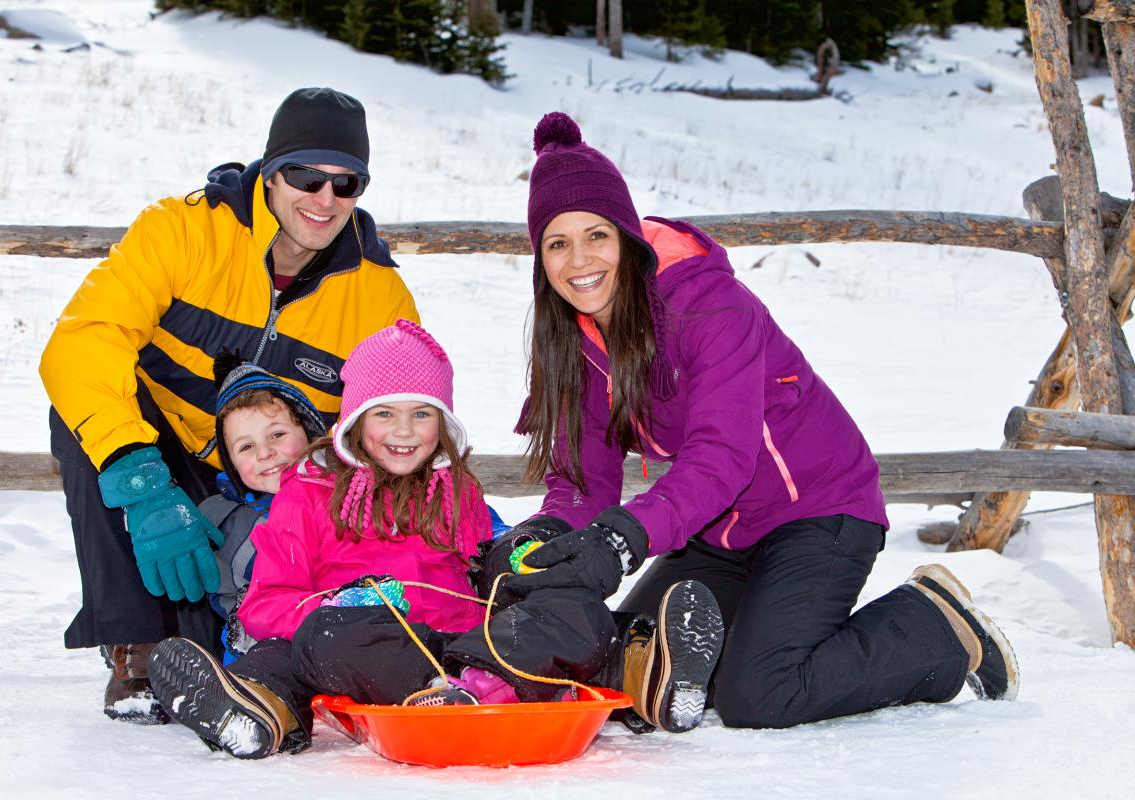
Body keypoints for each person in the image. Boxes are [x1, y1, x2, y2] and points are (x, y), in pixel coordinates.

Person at [493, 111, 1020, 731]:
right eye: (557, 243)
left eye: (596, 235)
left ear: (627, 237)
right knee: (618, 653)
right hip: (718, 529)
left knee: (760, 693)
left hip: (820, 512)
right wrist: (547, 531)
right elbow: (585, 478)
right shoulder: (577, 339)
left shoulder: (708, 305)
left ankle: (933, 629)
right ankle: (721, 652)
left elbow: (721, 457)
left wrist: (622, 537)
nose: (579, 260)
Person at [147, 321, 718, 760]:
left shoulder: (455, 489)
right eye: (384, 414)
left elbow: (487, 564)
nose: (402, 432)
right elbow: (266, 604)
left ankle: (646, 674)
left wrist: (517, 557)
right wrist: (340, 605)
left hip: (473, 647)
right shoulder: (309, 494)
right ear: (352, 422)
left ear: (442, 422)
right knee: (307, 645)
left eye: (421, 413)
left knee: (575, 611)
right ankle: (259, 713)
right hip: (370, 650)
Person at [39, 87, 420, 724]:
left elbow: (399, 412)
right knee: (81, 418)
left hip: (274, 476)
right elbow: (83, 341)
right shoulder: (184, 230)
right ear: (271, 170)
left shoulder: (378, 293)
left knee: (214, 630)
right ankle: (138, 643)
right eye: (307, 175)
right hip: (159, 447)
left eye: (346, 182)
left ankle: (245, 646)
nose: (324, 199)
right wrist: (142, 483)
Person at [201, 353, 328, 664]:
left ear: (309, 434)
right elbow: (236, 607)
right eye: (246, 447)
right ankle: (244, 696)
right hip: (267, 644)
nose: (266, 453)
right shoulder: (229, 522)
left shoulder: (346, 498)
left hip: (343, 629)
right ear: (231, 463)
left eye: (277, 435)